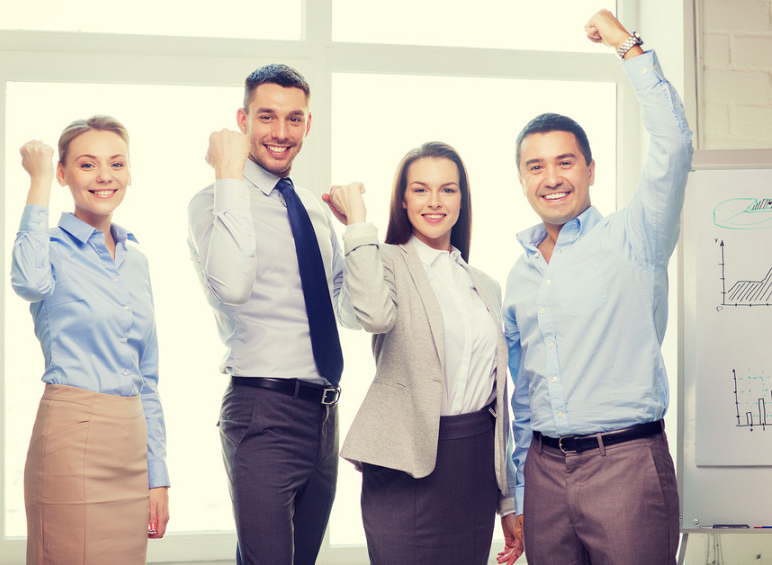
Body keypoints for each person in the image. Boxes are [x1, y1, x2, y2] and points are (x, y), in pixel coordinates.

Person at [502, 9, 693, 565]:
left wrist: (627, 47)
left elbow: (674, 149)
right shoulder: (518, 275)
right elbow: (523, 394)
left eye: (565, 162)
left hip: (626, 465)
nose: (552, 177)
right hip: (543, 473)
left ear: (590, 169)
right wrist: (516, 490)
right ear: (521, 180)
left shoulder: (635, 237)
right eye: (535, 167)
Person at [187, 63, 358, 565]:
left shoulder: (313, 207)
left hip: (325, 414)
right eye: (266, 116)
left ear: (308, 125)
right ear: (242, 121)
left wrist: (360, 232)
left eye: (294, 119)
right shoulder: (212, 201)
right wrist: (227, 174)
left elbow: (348, 310)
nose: (281, 133)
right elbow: (233, 284)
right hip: (263, 410)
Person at [326, 142, 522, 565]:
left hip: (474, 467)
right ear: (403, 199)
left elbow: (497, 400)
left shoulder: (484, 284)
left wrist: (508, 497)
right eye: (420, 190)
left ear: (462, 199)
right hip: (406, 467)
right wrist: (359, 224)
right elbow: (374, 316)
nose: (435, 202)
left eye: (448, 190)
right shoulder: (385, 261)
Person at [11, 115, 170, 565]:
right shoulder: (48, 248)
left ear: (129, 173)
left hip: (131, 442)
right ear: (64, 174)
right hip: (72, 439)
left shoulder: (136, 261)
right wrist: (38, 180)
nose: (105, 176)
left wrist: (157, 475)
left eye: (116, 164)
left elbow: (147, 376)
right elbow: (27, 282)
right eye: (87, 164)